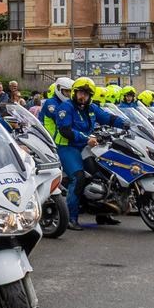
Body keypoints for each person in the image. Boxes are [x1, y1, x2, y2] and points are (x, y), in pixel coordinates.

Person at [51, 77, 127, 226]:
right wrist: (86, 138)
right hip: (67, 147)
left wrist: (125, 123)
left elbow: (106, 117)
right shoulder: (66, 107)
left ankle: (103, 214)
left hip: (86, 146)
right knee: (78, 177)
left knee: (103, 174)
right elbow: (65, 131)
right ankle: (71, 219)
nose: (83, 96)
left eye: (86, 94)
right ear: (74, 93)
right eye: (80, 92)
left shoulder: (91, 108)